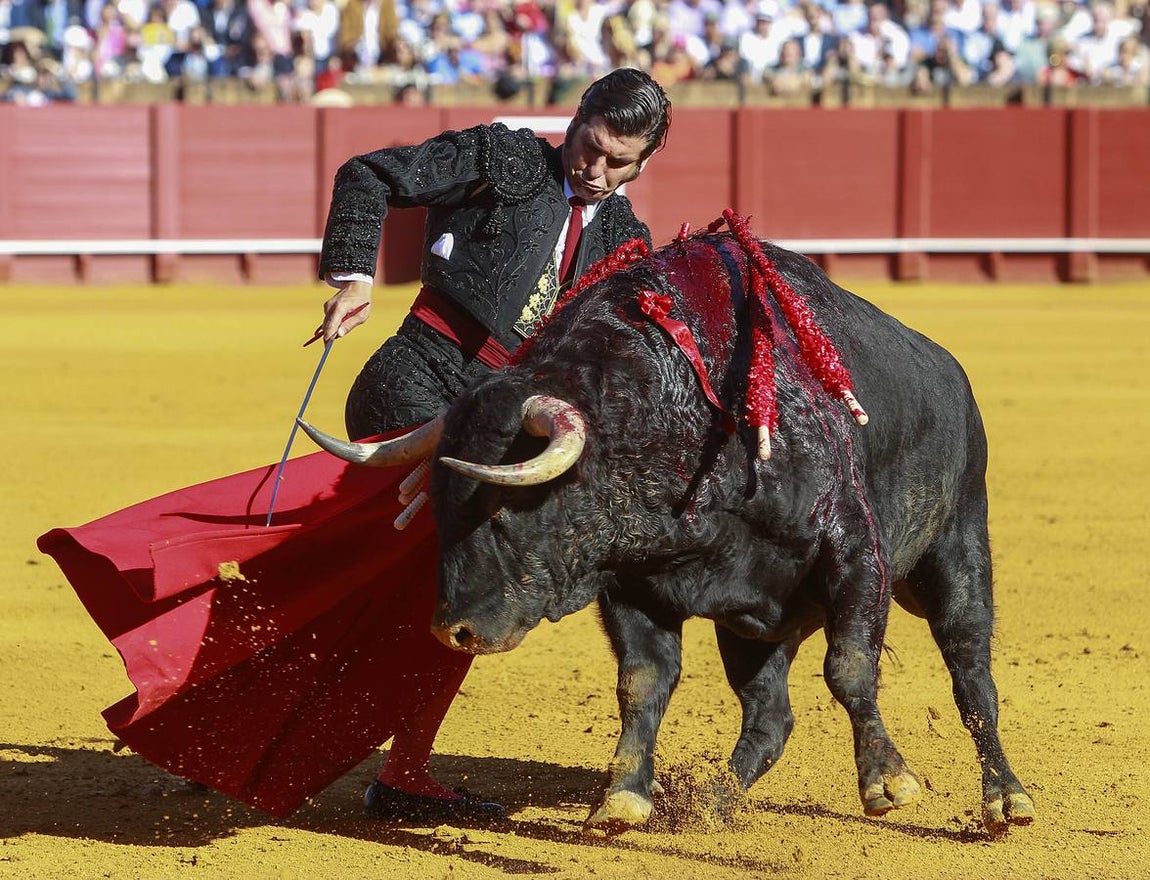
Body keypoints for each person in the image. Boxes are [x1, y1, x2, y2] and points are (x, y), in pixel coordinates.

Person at [314, 66, 672, 822]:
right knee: (436, 570)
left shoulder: (628, 243)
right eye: (589, 146)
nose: (595, 169)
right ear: (574, 123)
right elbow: (369, 173)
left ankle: (398, 766)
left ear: (643, 164)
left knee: (446, 584)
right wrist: (353, 275)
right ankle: (393, 767)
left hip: (498, 419)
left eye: (617, 161)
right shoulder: (504, 160)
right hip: (415, 378)